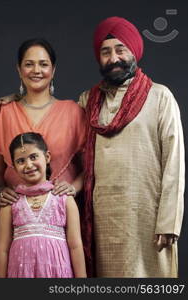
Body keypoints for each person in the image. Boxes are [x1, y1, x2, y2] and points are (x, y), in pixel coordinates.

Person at [79, 16, 185, 277]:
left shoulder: (160, 96)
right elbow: (54, 121)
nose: (113, 58)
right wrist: (15, 96)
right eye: (105, 52)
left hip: (147, 218)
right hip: (102, 220)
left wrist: (169, 221)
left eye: (120, 49)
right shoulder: (88, 101)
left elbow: (175, 161)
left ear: (134, 51)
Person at [0, 38, 87, 207]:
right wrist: (0, 191)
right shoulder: (4, 113)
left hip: (61, 215)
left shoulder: (73, 112)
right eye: (29, 64)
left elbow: (89, 165)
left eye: (43, 64)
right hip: (16, 215)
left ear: (53, 70)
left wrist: (73, 188)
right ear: (19, 70)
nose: (36, 70)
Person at [0, 132, 86, 278]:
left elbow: (75, 246)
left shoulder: (63, 199)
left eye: (33, 157)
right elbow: (2, 249)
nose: (28, 165)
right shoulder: (10, 203)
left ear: (47, 157)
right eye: (20, 161)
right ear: (14, 166)